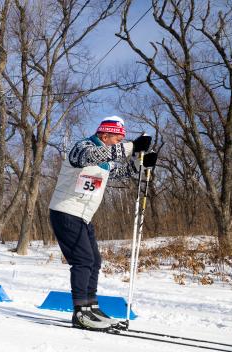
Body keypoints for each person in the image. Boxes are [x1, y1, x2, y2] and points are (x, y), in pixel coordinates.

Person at [48, 116, 155, 331]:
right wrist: (131, 146)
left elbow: (124, 172)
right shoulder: (83, 148)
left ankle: (90, 306)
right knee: (83, 260)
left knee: (94, 261)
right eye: (117, 139)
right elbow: (92, 156)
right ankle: (80, 312)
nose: (118, 144)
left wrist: (138, 161)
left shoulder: (105, 161)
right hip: (65, 211)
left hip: (83, 216)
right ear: (104, 135)